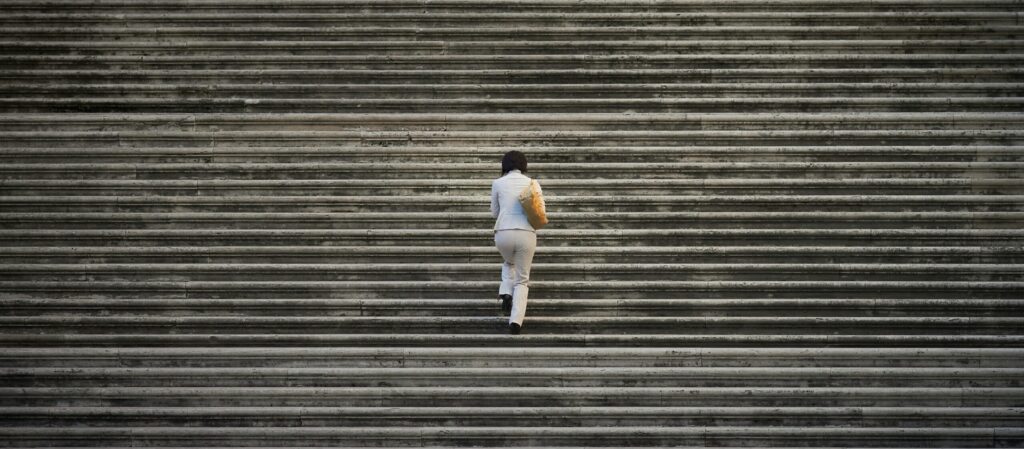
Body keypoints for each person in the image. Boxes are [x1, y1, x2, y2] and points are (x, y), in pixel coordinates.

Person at [490, 150, 545, 335]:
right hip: (526, 233)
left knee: (508, 262)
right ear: (524, 165)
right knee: (522, 279)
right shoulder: (532, 184)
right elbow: (540, 210)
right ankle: (515, 321)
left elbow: (494, 212)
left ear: (505, 165)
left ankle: (506, 290)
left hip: (503, 232)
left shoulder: (497, 183)